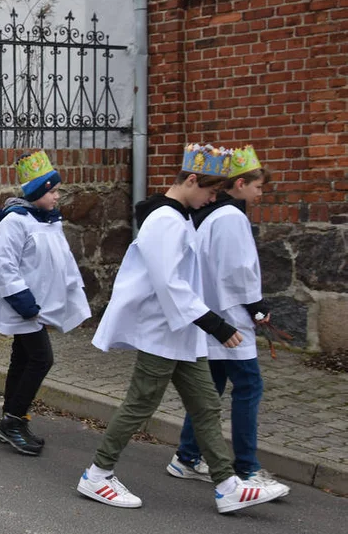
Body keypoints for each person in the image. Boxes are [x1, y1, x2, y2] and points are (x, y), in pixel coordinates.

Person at [76, 144, 288, 514]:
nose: (211, 199)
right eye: (209, 191)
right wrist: (216, 324)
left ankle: (227, 486)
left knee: (206, 404)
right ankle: (97, 474)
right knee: (140, 404)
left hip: (181, 332)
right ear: (191, 180)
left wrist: (207, 323)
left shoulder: (179, 218)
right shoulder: (165, 221)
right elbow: (169, 282)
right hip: (163, 331)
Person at [166, 146, 289, 495]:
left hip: (213, 316)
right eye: (258, 187)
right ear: (240, 183)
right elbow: (239, 271)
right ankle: (247, 468)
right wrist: (258, 308)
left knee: (213, 388)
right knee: (249, 387)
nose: (260, 194)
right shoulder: (232, 218)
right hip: (231, 317)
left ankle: (187, 456)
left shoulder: (210, 216)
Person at [0, 151, 91, 455]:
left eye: (57, 190)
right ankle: (13, 422)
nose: (57, 196)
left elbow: (64, 262)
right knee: (41, 359)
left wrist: (73, 300)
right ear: (37, 193)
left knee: (22, 358)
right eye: (52, 190)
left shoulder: (48, 221)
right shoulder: (15, 222)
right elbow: (4, 267)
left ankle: (11, 419)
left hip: (39, 307)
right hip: (24, 307)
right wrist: (26, 304)